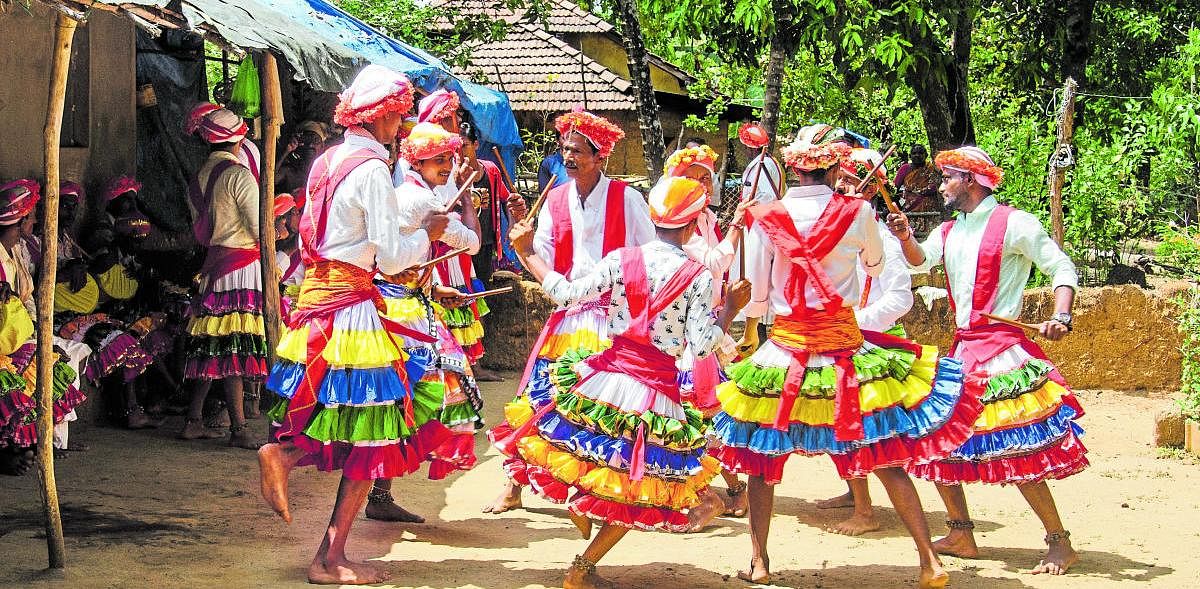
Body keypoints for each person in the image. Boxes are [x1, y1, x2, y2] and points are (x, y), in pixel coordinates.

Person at [712, 124, 981, 588]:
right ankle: (928, 561)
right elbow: (875, 266)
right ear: (833, 166)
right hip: (845, 348)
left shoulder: (764, 215)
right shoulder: (857, 212)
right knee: (884, 453)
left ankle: (759, 561)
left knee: (760, 459)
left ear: (791, 169)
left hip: (786, 348)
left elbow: (755, 295)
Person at [498, 176, 752, 589]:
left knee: (577, 451)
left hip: (603, 375)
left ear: (654, 217)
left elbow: (566, 293)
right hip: (652, 390)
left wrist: (528, 254)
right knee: (640, 488)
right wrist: (731, 311)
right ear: (692, 226)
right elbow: (703, 345)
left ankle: (578, 511)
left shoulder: (622, 258)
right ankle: (582, 569)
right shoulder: (698, 276)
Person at [257, 64, 452, 585]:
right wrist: (429, 234)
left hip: (320, 300)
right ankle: (325, 543)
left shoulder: (328, 160)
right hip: (353, 309)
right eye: (397, 118)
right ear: (383, 116)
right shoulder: (369, 169)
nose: (401, 127)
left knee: (358, 429)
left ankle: (328, 546)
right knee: (373, 434)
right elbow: (391, 258)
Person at [886, 146, 1086, 576]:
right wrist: (904, 238)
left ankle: (1059, 542)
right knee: (933, 438)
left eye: (948, 179)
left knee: (1016, 446)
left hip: (1001, 353)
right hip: (965, 349)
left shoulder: (1015, 223)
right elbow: (922, 262)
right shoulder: (950, 229)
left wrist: (1061, 316)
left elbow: (1061, 268)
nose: (941, 186)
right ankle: (961, 532)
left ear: (971, 181)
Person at [482, 108, 656, 514]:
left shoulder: (628, 199)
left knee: (605, 409)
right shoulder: (557, 198)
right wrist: (520, 227)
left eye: (577, 151)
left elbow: (650, 257)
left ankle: (602, 487)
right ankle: (514, 483)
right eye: (565, 150)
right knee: (538, 397)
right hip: (568, 318)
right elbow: (539, 257)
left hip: (613, 319)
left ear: (602, 157)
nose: (569, 158)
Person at [365, 121, 484, 523]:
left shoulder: (409, 194)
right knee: (423, 392)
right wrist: (469, 201)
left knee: (404, 399)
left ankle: (380, 491)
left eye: (450, 159)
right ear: (418, 161)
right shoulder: (420, 201)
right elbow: (472, 242)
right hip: (402, 309)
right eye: (440, 161)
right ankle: (376, 491)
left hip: (405, 300)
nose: (448, 166)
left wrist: (434, 291)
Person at [814, 147, 916, 536]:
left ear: (871, 189)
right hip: (838, 338)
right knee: (834, 422)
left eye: (853, 180)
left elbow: (899, 298)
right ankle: (853, 492)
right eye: (839, 177)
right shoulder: (831, 228)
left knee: (861, 429)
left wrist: (856, 320)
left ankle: (865, 511)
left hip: (874, 344)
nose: (842, 184)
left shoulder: (883, 239)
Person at [657, 146, 749, 528]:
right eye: (692, 176)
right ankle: (720, 488)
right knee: (692, 414)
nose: (701, 184)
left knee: (697, 414)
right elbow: (712, 262)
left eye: (706, 177)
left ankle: (711, 492)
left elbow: (716, 269)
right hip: (680, 329)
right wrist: (737, 227)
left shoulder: (705, 218)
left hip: (701, 328)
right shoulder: (678, 222)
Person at [179, 105, 268, 448]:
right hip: (242, 268)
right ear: (238, 139)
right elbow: (259, 227)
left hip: (215, 265)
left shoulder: (199, 177)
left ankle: (193, 419)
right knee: (233, 346)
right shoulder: (239, 175)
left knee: (214, 344)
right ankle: (239, 429)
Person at [0, 180, 86, 474]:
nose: (36, 220)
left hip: (18, 334)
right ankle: (12, 449)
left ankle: (28, 444)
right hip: (6, 339)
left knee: (54, 366)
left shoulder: (14, 253)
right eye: (32, 215)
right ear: (21, 219)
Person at [277, 120, 331, 196]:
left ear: (322, 146)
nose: (310, 145)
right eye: (307, 140)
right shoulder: (290, 170)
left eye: (315, 140)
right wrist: (286, 151)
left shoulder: (326, 170)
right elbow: (271, 180)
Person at [895, 144, 941, 214]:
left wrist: (921, 192)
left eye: (920, 153)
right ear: (910, 156)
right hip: (910, 208)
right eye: (914, 153)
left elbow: (936, 186)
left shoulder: (932, 168)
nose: (917, 155)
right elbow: (895, 187)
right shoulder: (905, 168)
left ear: (926, 155)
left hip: (931, 209)